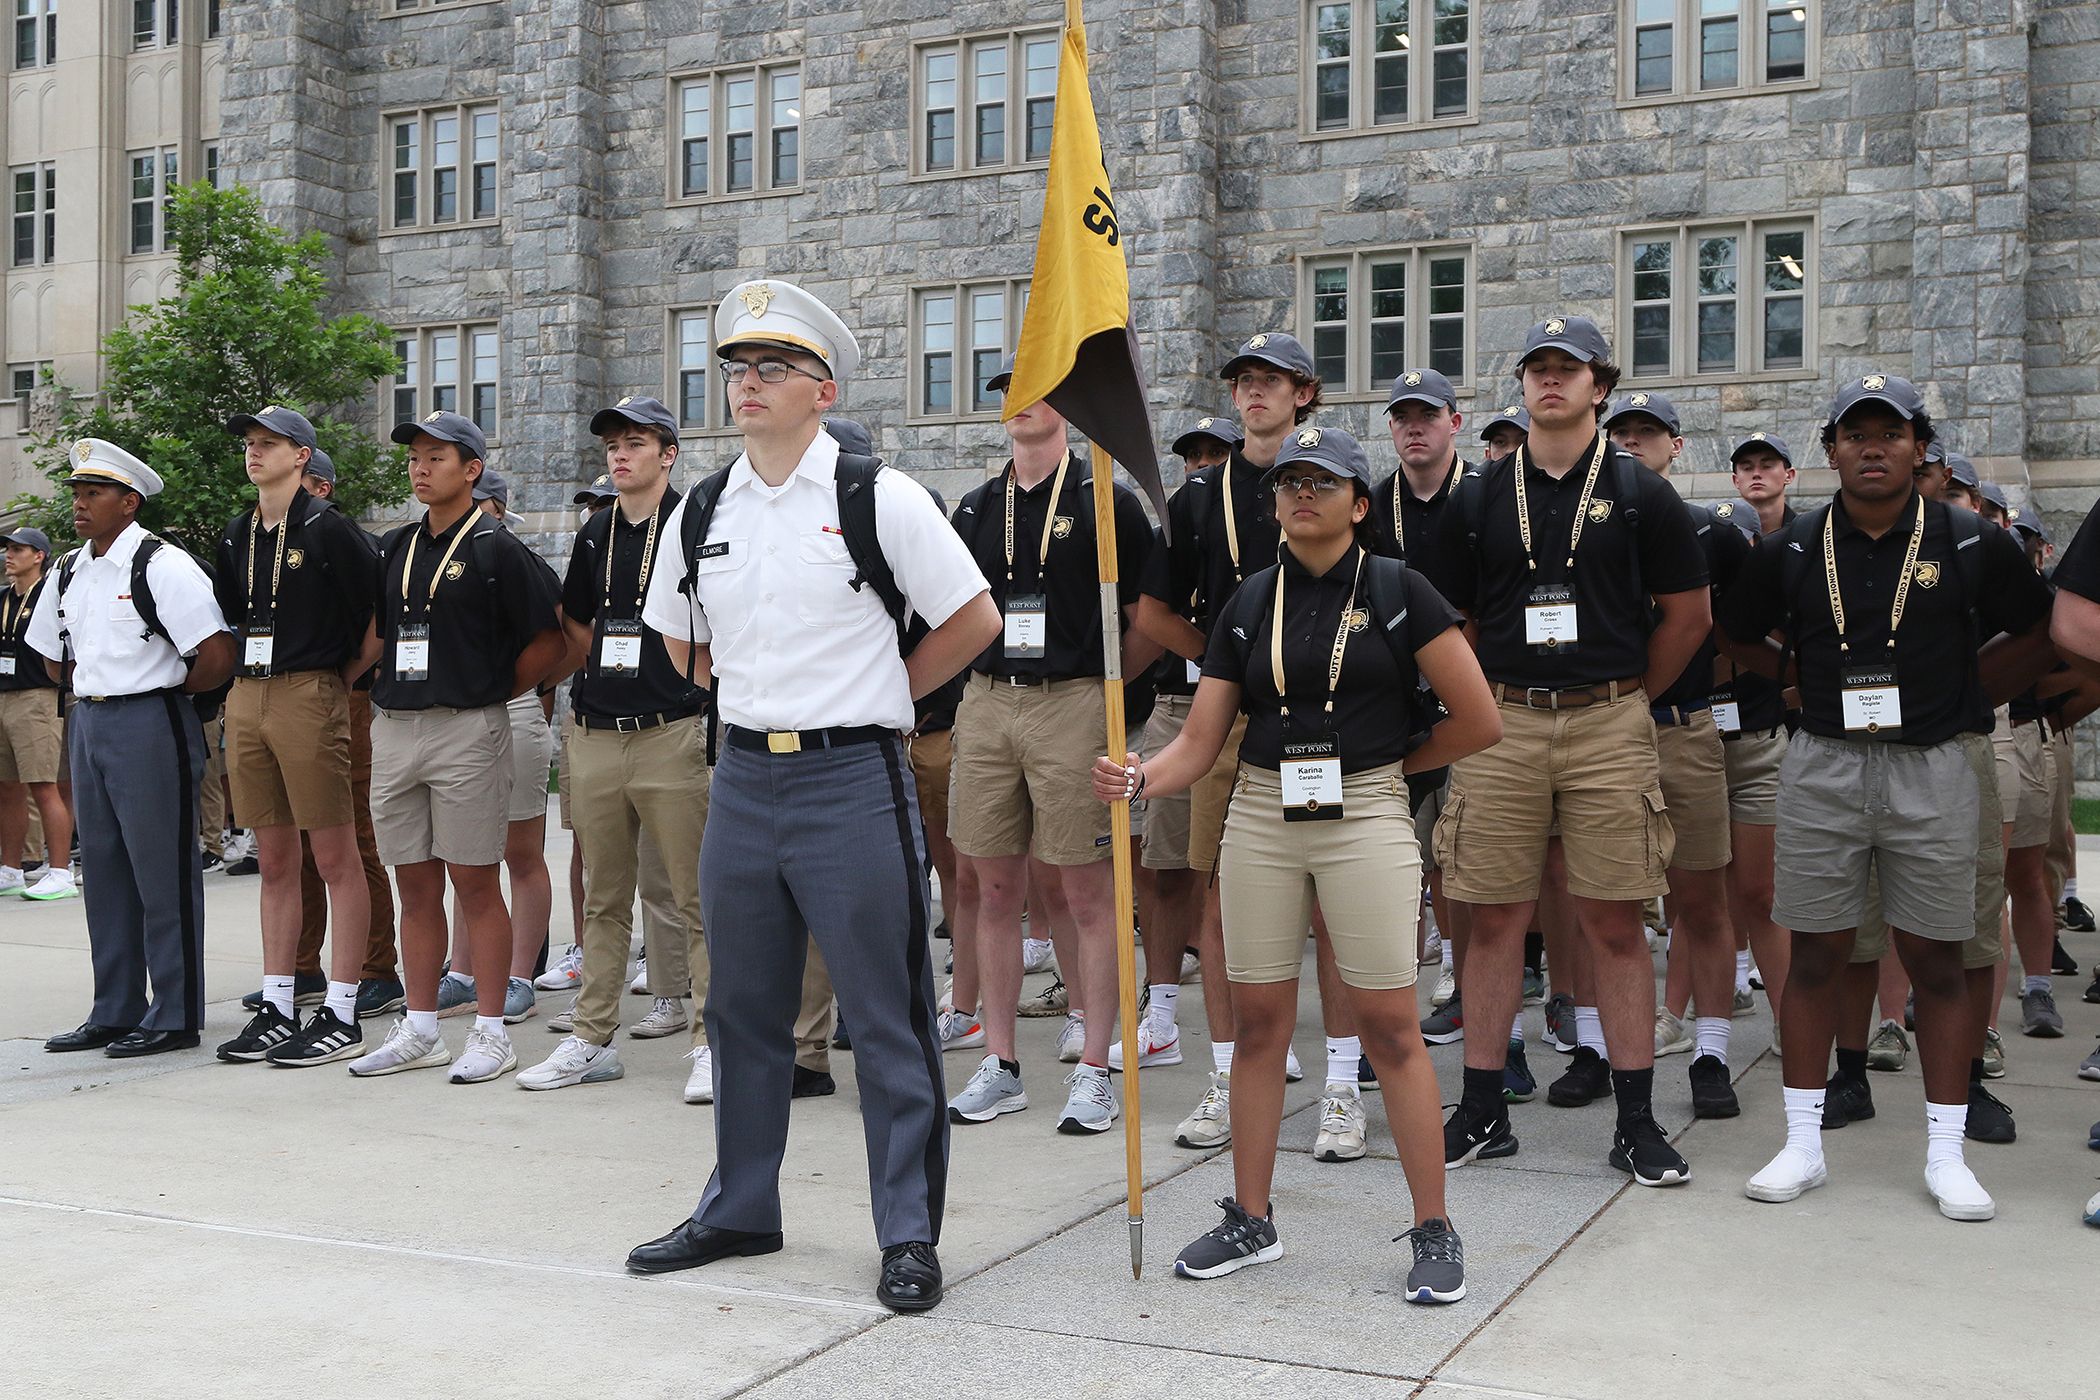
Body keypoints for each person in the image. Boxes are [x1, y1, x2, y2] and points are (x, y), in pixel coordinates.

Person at [625, 279, 997, 1314]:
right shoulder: (705, 504)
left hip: (851, 777)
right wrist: (744, 698)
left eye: (772, 367)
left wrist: (887, 694)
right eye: (738, 368)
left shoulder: (876, 495)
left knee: (885, 1015)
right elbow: (676, 635)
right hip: (743, 775)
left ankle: (908, 1231)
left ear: (823, 388)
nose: (748, 384)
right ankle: (741, 1203)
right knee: (741, 1006)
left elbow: (971, 615)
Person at [1094, 425, 1500, 1299]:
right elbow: (1199, 744)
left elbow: (1478, 719)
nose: (1301, 495)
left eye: (1323, 483)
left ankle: (1434, 1227)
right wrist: (1140, 776)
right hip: (1263, 817)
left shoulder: (1400, 590)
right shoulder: (1248, 601)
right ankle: (1251, 1216)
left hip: (1366, 815)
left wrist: (1386, 769)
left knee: (1392, 1025)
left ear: (1360, 504)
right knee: (1257, 1024)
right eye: (1288, 484)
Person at [1720, 373, 2054, 1220]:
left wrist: (1968, 692)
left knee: (1939, 954)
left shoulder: (1971, 541)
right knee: (1819, 956)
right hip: (1824, 761)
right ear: (1830, 449)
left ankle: (1945, 1154)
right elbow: (1736, 633)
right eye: (1855, 434)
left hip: (1934, 764)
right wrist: (1802, 686)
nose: (1874, 448)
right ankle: (1803, 1142)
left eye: (1891, 434)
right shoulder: (1792, 548)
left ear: (1918, 448)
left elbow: (2039, 628)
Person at [1426, 315, 1710, 1187]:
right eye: (1538, 369)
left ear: (1601, 386)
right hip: (1503, 723)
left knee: (1615, 921)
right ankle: (1480, 1108)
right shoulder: (1482, 493)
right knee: (1493, 918)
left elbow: (1688, 616)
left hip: (1610, 721)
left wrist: (1623, 701)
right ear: (1522, 384)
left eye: (1569, 369)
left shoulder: (1640, 493)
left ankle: (1635, 1119)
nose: (1552, 381)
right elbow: (1457, 622)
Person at [941, 353, 1156, 1134]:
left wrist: (1105, 694)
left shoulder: (1109, 501)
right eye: (1008, 390)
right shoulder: (973, 507)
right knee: (993, 890)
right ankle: (1000, 1063)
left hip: (1073, 698)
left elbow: (1144, 622)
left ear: (1065, 405)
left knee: (1087, 892)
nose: (1022, 402)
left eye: (1038, 389)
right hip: (990, 701)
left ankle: (1097, 1063)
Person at [346, 411, 566, 1083]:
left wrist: (494, 690)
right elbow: (380, 635)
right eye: (414, 457)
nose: (419, 467)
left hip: (467, 727)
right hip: (397, 725)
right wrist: (351, 686)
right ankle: (418, 1028)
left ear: (472, 470)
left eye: (435, 457)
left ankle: (492, 1032)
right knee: (413, 881)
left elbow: (552, 641)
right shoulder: (396, 545)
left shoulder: (499, 548)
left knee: (474, 879)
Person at [519, 395, 713, 1098]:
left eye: (636, 443)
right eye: (612, 446)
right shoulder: (596, 533)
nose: (620, 455)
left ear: (668, 454)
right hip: (597, 732)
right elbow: (576, 623)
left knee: (696, 897)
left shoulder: (698, 524)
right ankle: (592, 1037)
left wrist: (696, 696)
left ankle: (708, 1040)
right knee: (602, 899)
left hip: (672, 731)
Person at [33, 439, 237, 1057]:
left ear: (129, 501)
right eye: (76, 493)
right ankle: (115, 1007)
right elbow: (49, 655)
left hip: (151, 719)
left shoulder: (161, 564)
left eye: (93, 493)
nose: (79, 504)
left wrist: (164, 694)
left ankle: (174, 1014)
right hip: (90, 722)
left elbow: (217, 653)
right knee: (104, 871)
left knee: (163, 871)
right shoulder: (69, 568)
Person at [210, 406, 383, 1068]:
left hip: (310, 688)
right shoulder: (237, 534)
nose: (255, 453)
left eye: (270, 444)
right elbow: (231, 616)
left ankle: (342, 1008)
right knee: (275, 858)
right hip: (249, 691)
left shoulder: (329, 528)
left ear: (302, 456)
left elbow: (383, 612)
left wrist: (343, 675)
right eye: (251, 443)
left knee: (335, 855)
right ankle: (279, 1002)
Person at [1602, 391, 1748, 1118]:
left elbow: (1738, 636)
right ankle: (1603, 1050)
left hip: (1682, 728)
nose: (1632, 444)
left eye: (1647, 433)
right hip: (1603, 734)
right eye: (1620, 432)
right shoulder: (1585, 529)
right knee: (1607, 905)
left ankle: (1712, 1053)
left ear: (1675, 447)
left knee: (1702, 900)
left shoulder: (1709, 532)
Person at [436, 467, 563, 1024]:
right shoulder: (431, 555)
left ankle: (518, 975)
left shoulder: (518, 560)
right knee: (468, 857)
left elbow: (562, 642)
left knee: (520, 852)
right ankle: (462, 973)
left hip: (509, 709)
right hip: (456, 714)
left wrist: (524, 691)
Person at [287, 446, 404, 1021]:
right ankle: (301, 964)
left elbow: (382, 615)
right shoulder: (271, 543)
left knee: (353, 838)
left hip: (344, 704)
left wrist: (346, 677)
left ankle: (377, 968)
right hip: (289, 705)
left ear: (322, 487)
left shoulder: (345, 541)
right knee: (295, 842)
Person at [0, 526, 73, 899]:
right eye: (7, 549)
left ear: (39, 555)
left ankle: (60, 870)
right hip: (4, 695)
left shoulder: (51, 593)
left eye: (17, 549)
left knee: (44, 786)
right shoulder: (4, 597)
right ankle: (11, 869)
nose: (8, 556)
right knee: (7, 788)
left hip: (38, 696)